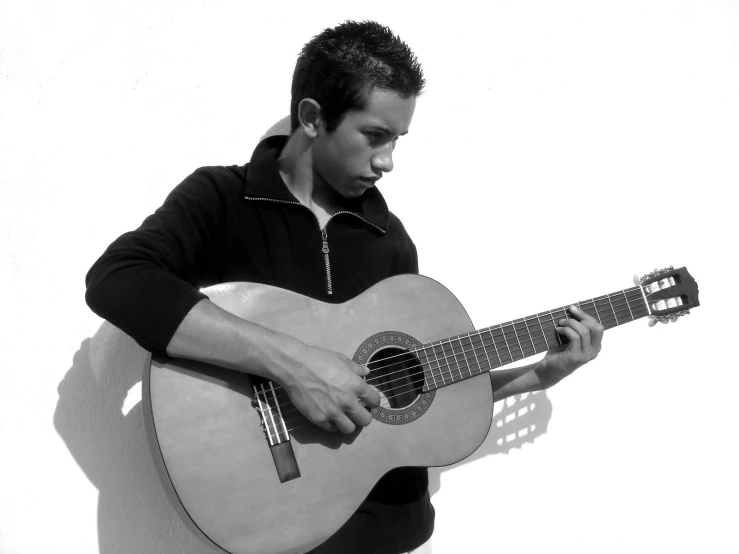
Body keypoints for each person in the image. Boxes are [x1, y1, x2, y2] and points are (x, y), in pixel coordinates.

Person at [85, 20, 604, 554]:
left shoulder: (390, 239)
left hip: (393, 535)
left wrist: (540, 374)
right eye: (374, 136)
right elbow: (118, 281)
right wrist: (295, 364)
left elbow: (416, 391)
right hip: (283, 534)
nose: (388, 161)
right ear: (312, 117)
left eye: (398, 140)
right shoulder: (222, 199)